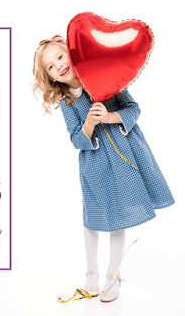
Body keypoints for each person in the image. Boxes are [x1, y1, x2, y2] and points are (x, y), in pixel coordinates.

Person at [32, 35, 175, 303]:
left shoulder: (103, 76)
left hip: (123, 154)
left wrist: (109, 117)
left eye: (60, 57)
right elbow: (76, 139)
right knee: (93, 217)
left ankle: (113, 274)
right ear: (50, 78)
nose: (58, 66)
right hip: (95, 163)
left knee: (118, 217)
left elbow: (133, 108)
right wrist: (88, 123)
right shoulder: (67, 102)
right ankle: (91, 273)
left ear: (71, 53)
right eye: (50, 67)